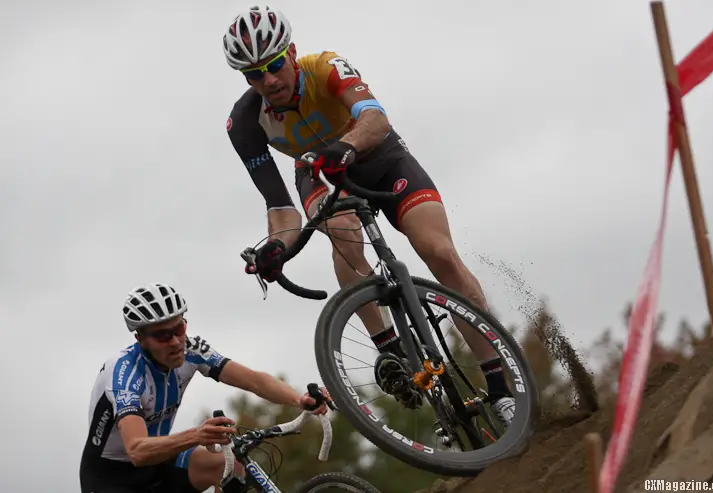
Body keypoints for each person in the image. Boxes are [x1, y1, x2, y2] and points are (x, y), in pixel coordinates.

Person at [221, 5, 515, 426]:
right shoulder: (244, 124)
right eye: (253, 75)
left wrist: (349, 145)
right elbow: (282, 210)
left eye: (273, 65)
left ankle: (501, 387)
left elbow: (375, 119)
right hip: (317, 172)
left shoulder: (324, 67)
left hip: (379, 156)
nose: (268, 80)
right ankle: (390, 349)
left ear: (291, 53)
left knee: (441, 253)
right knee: (340, 228)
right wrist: (274, 249)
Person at [79, 282, 328, 493]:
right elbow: (137, 450)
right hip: (111, 477)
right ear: (140, 339)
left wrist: (299, 399)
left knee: (230, 465)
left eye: (179, 328)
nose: (176, 341)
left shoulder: (192, 349)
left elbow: (254, 380)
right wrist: (196, 436)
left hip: (162, 459)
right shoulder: (124, 373)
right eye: (164, 335)